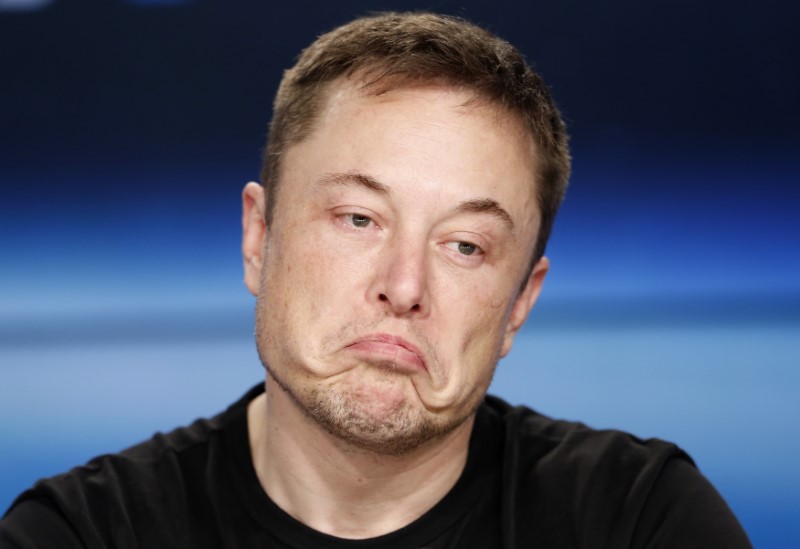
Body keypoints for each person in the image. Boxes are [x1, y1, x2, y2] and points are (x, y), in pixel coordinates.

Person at [1, 11, 751, 548]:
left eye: (463, 244)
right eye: (359, 219)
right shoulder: (79, 532)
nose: (404, 284)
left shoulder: (641, 518)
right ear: (258, 239)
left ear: (521, 302)